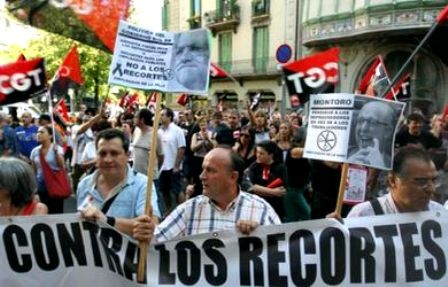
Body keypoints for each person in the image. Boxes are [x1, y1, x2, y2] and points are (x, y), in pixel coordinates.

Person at [133, 147, 281, 242]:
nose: (202, 176)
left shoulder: (261, 210)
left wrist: (261, 235)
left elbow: (283, 253)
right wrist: (147, 234)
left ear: (233, 177)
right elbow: (157, 242)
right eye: (203, 169)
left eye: (210, 170)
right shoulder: (189, 209)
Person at [77, 128, 161, 238]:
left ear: (127, 155)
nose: (108, 159)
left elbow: (150, 227)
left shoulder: (143, 184)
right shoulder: (84, 185)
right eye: (102, 153)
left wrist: (106, 221)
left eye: (114, 153)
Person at [346, 146, 444, 217]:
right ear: (392, 180)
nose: (431, 189)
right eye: (421, 181)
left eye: (433, 180)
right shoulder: (364, 214)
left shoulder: (440, 214)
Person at [347, 100, 398, 169]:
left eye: (372, 122)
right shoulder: (343, 154)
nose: (363, 128)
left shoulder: (395, 164)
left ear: (388, 131)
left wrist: (379, 167)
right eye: (360, 121)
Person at [30, 126, 65, 214]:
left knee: (57, 212)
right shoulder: (34, 151)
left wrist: (56, 152)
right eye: (38, 132)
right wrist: (34, 190)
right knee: (43, 212)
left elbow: (62, 166)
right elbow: (33, 171)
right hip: (41, 187)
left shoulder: (57, 149)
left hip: (55, 186)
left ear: (50, 136)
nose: (38, 134)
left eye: (42, 132)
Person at [158, 108, 186, 214]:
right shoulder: (159, 131)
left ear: (169, 117)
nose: (160, 117)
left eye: (163, 115)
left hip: (173, 165)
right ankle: (168, 211)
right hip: (162, 167)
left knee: (177, 189)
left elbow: (181, 148)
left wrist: (177, 165)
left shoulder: (177, 130)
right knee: (164, 191)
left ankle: (183, 212)